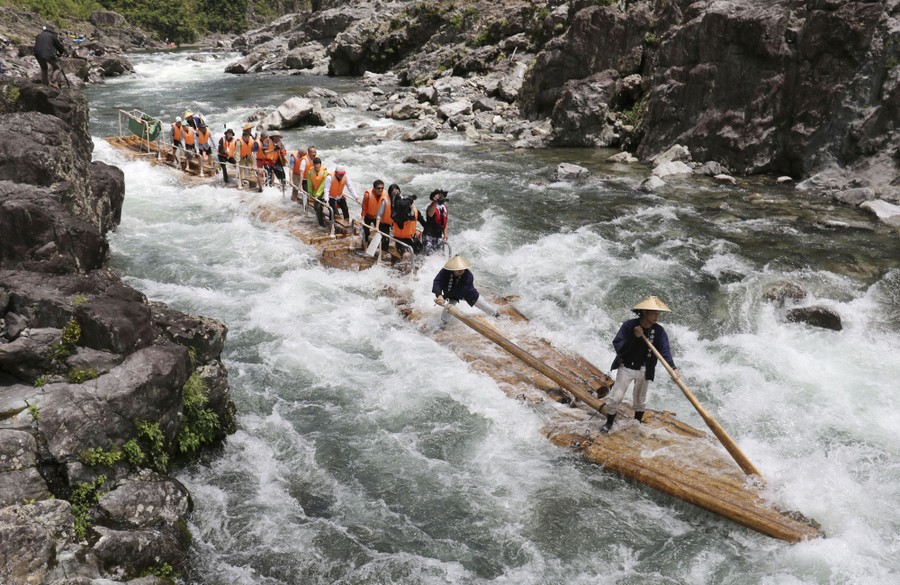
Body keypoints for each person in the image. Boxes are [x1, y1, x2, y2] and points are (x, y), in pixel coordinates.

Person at [601, 295, 679, 434]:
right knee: (616, 397)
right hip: (627, 367)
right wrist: (634, 338)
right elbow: (618, 345)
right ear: (644, 312)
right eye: (654, 313)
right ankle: (609, 423)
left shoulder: (659, 331)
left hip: (645, 368)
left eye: (658, 313)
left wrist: (673, 368)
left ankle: (637, 424)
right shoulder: (629, 326)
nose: (657, 316)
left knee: (640, 399)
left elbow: (665, 351)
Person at [432, 255, 499, 327]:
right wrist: (439, 294)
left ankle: (496, 315)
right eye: (458, 269)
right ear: (453, 269)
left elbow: (461, 290)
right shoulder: (444, 272)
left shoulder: (468, 276)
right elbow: (437, 281)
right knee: (448, 308)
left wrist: (443, 297)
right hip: (451, 294)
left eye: (463, 268)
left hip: (468, 293)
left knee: (482, 304)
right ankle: (443, 324)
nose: (461, 270)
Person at [422, 189, 449, 255]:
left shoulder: (445, 208)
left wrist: (445, 235)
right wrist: (435, 202)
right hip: (429, 235)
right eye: (439, 196)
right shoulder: (430, 207)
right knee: (428, 255)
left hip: (439, 235)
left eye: (442, 196)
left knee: (439, 254)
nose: (441, 197)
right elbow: (430, 214)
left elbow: (445, 223)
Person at [236, 124, 261, 191]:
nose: (247, 138)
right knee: (241, 169)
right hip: (241, 156)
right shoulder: (239, 141)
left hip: (249, 154)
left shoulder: (251, 139)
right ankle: (240, 182)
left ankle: (252, 181)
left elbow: (254, 148)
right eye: (246, 136)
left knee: (251, 166)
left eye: (248, 136)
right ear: (243, 136)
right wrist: (237, 161)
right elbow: (237, 152)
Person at [306, 157, 329, 226]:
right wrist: (310, 194)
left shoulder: (325, 172)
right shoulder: (310, 172)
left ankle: (324, 223)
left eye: (318, 164)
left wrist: (317, 195)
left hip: (323, 193)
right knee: (316, 208)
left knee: (320, 208)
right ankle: (321, 223)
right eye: (315, 164)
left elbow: (323, 185)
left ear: (320, 164)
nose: (316, 166)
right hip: (315, 194)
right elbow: (309, 183)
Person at [360, 180, 385, 244]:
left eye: (382, 188)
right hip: (368, 216)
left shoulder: (385, 195)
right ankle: (365, 245)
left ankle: (378, 247)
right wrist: (362, 219)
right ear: (374, 188)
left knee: (380, 233)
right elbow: (364, 207)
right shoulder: (368, 194)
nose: (380, 190)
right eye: (378, 188)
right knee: (366, 232)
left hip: (378, 218)